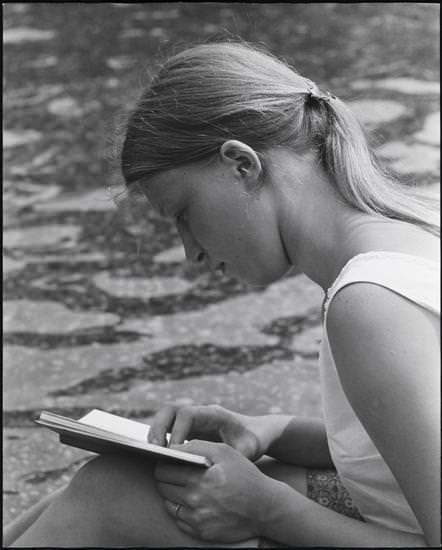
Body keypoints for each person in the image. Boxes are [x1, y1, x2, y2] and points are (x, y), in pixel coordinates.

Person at [4, 40, 440, 548]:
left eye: (184, 214)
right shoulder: (417, 228)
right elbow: (403, 450)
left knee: (109, 496)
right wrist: (271, 429)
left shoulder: (369, 304)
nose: (190, 253)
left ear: (242, 164)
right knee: (123, 479)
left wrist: (269, 511)